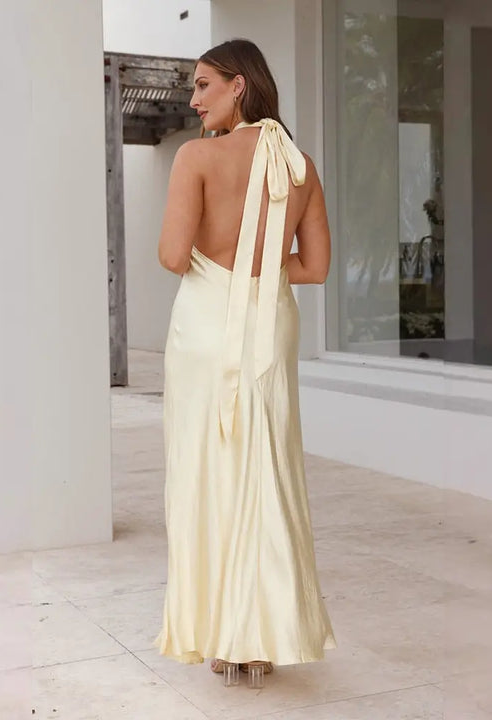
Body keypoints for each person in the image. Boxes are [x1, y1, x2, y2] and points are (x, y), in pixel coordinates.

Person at [155, 39, 336, 687]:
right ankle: (261, 639)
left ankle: (220, 633)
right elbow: (315, 267)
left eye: (203, 84)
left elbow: (173, 255)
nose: (193, 99)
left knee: (207, 469)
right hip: (269, 325)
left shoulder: (196, 157)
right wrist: (260, 273)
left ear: (239, 85)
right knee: (267, 468)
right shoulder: (299, 165)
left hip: (206, 326)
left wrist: (225, 268)